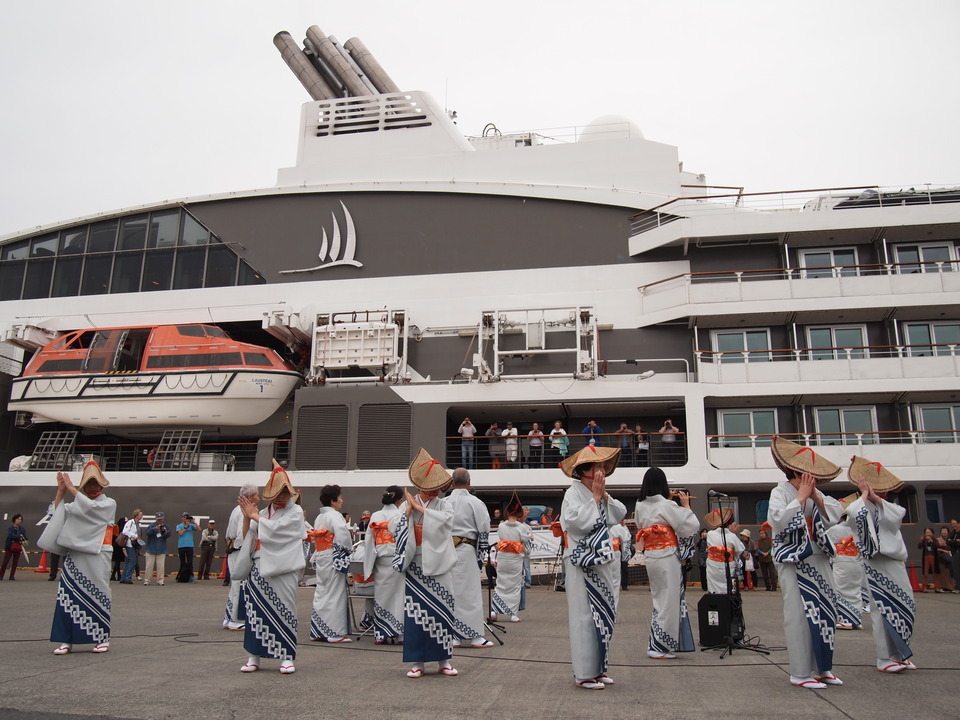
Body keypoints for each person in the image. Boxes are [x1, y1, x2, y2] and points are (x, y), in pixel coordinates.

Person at [767, 436, 844, 690]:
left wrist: (815, 498)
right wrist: (800, 498)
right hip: (793, 559)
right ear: (795, 470)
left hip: (817, 557)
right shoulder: (780, 491)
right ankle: (800, 672)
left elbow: (834, 514)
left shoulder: (816, 492)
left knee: (825, 611)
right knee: (799, 615)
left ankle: (823, 667)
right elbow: (777, 521)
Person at [559, 444, 627, 690]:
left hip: (602, 562)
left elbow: (619, 514)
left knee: (603, 614)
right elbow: (575, 523)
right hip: (581, 562)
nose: (602, 471)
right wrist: (595, 498)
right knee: (584, 617)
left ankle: (599, 669)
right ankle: (584, 673)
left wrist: (603, 496)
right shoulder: (573, 493)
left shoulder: (598, 493)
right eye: (598, 467)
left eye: (603, 467)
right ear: (584, 471)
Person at [391, 448, 459, 679]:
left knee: (442, 611)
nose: (431, 493)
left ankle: (444, 660)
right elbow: (394, 528)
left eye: (434, 490)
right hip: (415, 562)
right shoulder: (406, 505)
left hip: (439, 562)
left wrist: (421, 511)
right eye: (427, 490)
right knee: (415, 614)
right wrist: (408, 514)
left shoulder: (444, 505)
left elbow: (448, 523)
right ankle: (417, 661)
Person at [845, 456, 917, 674]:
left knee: (905, 606)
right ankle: (884, 658)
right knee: (881, 610)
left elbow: (897, 517)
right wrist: (865, 495)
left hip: (894, 562)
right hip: (874, 563)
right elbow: (853, 515)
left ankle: (901, 653)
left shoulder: (888, 507)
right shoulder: (859, 507)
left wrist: (875, 497)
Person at [234, 462, 306, 674]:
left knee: (285, 610)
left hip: (285, 568)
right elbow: (249, 536)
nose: (282, 496)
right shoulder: (264, 513)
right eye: (278, 492)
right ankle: (253, 655)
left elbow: (279, 531)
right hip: (260, 564)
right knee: (255, 611)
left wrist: (254, 516)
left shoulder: (296, 511)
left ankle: (286, 656)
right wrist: (247, 517)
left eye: (285, 492)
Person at [39, 462, 116, 655]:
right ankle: (66, 639)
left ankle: (101, 637)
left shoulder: (108, 503)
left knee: (99, 593)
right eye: (88, 483)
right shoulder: (77, 503)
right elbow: (58, 514)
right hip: (76, 554)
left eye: (94, 483)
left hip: (98, 553)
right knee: (68, 595)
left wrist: (73, 489)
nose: (91, 487)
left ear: (101, 486)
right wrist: (61, 491)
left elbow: (91, 509)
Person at [634, 467, 699, 659]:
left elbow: (648, 519)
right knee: (669, 600)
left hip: (652, 555)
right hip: (667, 555)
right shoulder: (667, 506)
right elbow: (691, 525)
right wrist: (685, 505)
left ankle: (658, 642)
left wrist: (669, 501)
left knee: (659, 598)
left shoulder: (640, 505)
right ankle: (659, 646)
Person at [445, 468, 493, 647]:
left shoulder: (444, 502)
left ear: (452, 482)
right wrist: (481, 556)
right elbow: (484, 529)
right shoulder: (476, 502)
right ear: (469, 482)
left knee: (450, 592)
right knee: (470, 593)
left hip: (446, 550)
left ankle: (453, 636)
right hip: (466, 549)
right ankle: (475, 636)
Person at [309, 484, 353, 643]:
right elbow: (343, 536)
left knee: (322, 591)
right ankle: (334, 632)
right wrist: (348, 553)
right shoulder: (335, 516)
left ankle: (319, 630)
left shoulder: (319, 517)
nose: (342, 500)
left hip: (321, 554)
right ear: (333, 500)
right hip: (333, 557)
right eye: (339, 497)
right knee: (335, 592)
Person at [363, 485, 405, 644]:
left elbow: (369, 540)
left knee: (381, 595)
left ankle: (381, 633)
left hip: (380, 558)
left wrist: (370, 559)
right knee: (399, 596)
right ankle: (400, 634)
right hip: (397, 558)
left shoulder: (375, 515)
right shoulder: (400, 514)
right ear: (400, 500)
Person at [223, 483, 259, 631]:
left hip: (234, 551)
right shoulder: (243, 512)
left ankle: (228, 617)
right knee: (239, 586)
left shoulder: (236, 510)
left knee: (235, 587)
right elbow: (242, 535)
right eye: (257, 494)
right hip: (239, 552)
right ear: (250, 497)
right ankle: (236, 619)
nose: (259, 497)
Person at [491, 493, 531, 623]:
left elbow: (501, 539)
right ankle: (513, 613)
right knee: (514, 586)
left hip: (503, 557)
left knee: (500, 583)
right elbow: (525, 541)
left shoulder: (501, 526)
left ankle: (494, 611)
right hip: (515, 558)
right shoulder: (522, 527)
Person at [826, 498, 865, 630]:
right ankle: (857, 619)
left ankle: (846, 619)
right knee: (855, 590)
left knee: (841, 589)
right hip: (857, 560)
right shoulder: (858, 529)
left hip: (842, 560)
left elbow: (825, 543)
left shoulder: (835, 529)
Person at [703, 508, 743, 594]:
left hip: (713, 565)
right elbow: (740, 550)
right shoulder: (732, 536)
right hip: (728, 565)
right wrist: (733, 533)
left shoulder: (710, 534)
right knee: (727, 587)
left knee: (713, 587)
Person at [143, 512, 170, 585]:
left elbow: (168, 535)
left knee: (160, 567)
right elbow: (147, 533)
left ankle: (160, 580)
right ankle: (147, 580)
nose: (159, 521)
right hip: (151, 549)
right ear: (156, 519)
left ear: (163, 519)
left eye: (161, 519)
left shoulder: (165, 526)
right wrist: (154, 529)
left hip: (161, 549)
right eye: (158, 519)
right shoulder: (151, 525)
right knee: (149, 566)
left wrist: (164, 531)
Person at [0, 513, 28, 580]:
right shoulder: (10, 528)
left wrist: (24, 539)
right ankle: (1, 575)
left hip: (18, 546)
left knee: (15, 562)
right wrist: (19, 536)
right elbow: (11, 536)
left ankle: (12, 576)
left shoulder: (22, 529)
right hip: (9, 546)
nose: (19, 521)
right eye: (18, 519)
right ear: (14, 520)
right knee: (5, 561)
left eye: (20, 519)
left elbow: (24, 537)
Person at [119, 509, 143, 584]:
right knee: (132, 560)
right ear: (136, 515)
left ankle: (123, 578)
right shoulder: (130, 522)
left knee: (128, 560)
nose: (141, 516)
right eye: (140, 515)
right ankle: (127, 578)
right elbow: (125, 532)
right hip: (129, 543)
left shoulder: (138, 524)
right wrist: (134, 536)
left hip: (135, 544)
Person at [610, 517, 632, 592]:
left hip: (609, 551)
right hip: (614, 552)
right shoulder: (617, 527)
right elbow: (627, 538)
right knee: (614, 579)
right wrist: (625, 556)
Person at [175, 513, 198, 583]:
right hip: (181, 546)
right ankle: (181, 576)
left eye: (187, 518)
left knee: (190, 562)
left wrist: (194, 522)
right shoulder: (179, 526)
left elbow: (198, 529)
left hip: (190, 546)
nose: (186, 519)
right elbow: (180, 533)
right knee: (183, 562)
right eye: (184, 517)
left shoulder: (191, 526)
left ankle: (191, 577)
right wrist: (185, 527)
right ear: (182, 518)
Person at [917, 527, 940, 592]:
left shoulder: (935, 540)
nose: (927, 534)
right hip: (926, 557)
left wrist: (931, 540)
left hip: (933, 557)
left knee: (935, 573)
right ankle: (924, 587)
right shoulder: (924, 540)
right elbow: (919, 547)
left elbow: (937, 546)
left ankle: (937, 587)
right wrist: (921, 540)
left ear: (932, 533)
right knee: (925, 573)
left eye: (929, 532)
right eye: (926, 532)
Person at [756, 524, 778, 591]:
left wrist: (768, 552)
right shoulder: (759, 541)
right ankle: (767, 586)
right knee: (764, 574)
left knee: (772, 573)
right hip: (762, 559)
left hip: (769, 558)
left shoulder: (770, 539)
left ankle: (774, 586)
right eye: (760, 533)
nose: (761, 535)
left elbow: (772, 547)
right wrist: (762, 553)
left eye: (762, 533)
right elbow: (757, 548)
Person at [936, 526, 956, 592]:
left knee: (950, 571)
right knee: (944, 572)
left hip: (950, 555)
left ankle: (952, 586)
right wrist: (944, 550)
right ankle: (944, 586)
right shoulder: (938, 539)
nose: (943, 532)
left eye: (945, 530)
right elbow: (936, 548)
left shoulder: (950, 539)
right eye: (942, 530)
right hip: (941, 556)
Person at [109, 517, 125, 581]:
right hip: (118, 546)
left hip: (116, 546)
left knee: (117, 562)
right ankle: (118, 575)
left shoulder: (117, 527)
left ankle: (114, 575)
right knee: (117, 562)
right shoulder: (118, 528)